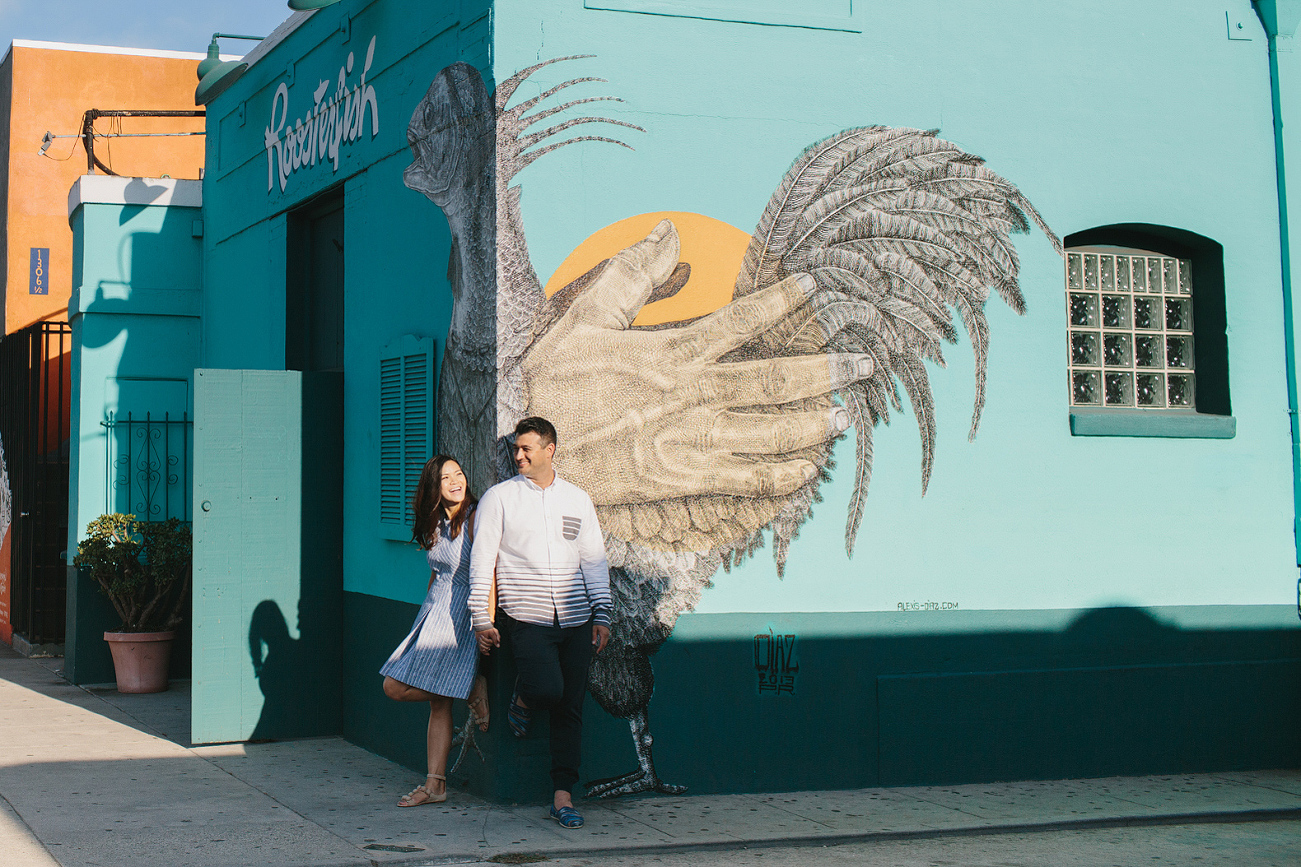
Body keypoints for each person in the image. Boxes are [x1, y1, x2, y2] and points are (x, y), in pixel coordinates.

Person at [469, 416, 611, 829]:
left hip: (577, 618)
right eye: (516, 448)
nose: (518, 455)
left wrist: (601, 613)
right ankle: (525, 697)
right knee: (548, 688)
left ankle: (563, 796)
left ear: (550, 450)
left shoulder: (577, 499)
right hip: (525, 616)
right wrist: (481, 616)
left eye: (527, 448)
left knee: (571, 706)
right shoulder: (500, 498)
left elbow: (594, 559)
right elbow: (483, 561)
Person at [380, 455, 490, 807]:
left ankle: (471, 686)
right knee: (437, 701)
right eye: (446, 477)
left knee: (393, 686)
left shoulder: (477, 517)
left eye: (459, 473)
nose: (456, 481)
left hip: (461, 615)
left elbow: (489, 573)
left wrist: (484, 623)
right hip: (433, 611)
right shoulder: (437, 522)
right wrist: (424, 612)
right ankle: (436, 785)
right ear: (434, 487)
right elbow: (436, 571)